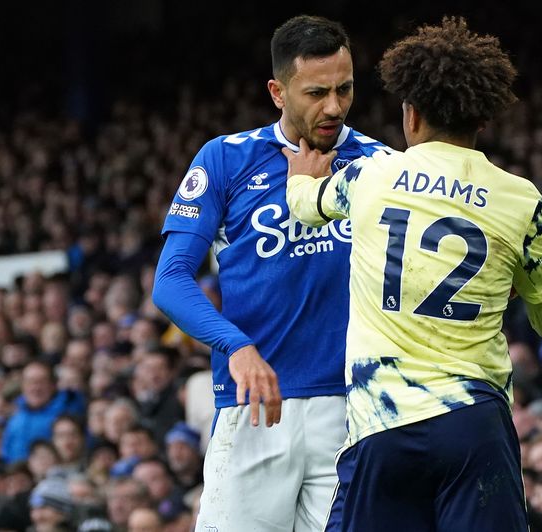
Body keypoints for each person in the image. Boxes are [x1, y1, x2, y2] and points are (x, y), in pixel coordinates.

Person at [284, 17, 542, 531]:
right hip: (473, 425)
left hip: (382, 426)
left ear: (410, 115)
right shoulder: (521, 200)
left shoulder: (373, 175)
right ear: (481, 120)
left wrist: (301, 180)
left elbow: (307, 207)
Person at [152, 15, 388, 532]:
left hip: (355, 408)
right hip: (253, 405)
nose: (333, 106)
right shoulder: (225, 159)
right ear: (278, 92)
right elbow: (169, 281)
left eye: (345, 89)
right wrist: (236, 346)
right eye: (316, 92)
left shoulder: (382, 166)